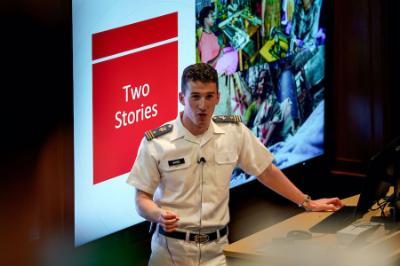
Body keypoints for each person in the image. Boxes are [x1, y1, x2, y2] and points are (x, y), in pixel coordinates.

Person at [127, 63, 343, 266]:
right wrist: (157, 215)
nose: (202, 106)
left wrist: (307, 202)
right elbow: (141, 199)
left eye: (209, 97)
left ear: (217, 97)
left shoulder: (233, 132)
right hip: (170, 253)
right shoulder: (156, 142)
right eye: (195, 97)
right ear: (182, 98)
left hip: (217, 251)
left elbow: (266, 171)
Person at [197, 6, 238, 75]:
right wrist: (219, 56)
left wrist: (220, 48)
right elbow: (206, 66)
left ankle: (229, 69)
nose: (214, 18)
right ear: (205, 19)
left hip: (216, 55)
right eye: (212, 16)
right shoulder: (205, 42)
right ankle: (230, 74)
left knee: (233, 47)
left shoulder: (209, 32)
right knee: (234, 54)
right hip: (214, 66)